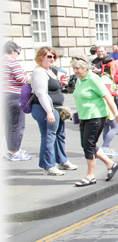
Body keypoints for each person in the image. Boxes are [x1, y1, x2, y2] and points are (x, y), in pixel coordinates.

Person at [70, 57, 118, 186]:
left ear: (85, 68)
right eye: (73, 68)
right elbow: (80, 99)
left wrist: (117, 116)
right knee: (87, 145)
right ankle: (110, 164)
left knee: (88, 145)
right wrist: (78, 115)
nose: (75, 71)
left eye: (77, 68)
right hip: (85, 116)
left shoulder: (93, 79)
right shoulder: (80, 80)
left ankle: (90, 175)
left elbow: (108, 97)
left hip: (96, 116)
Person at [30, 47, 76, 176]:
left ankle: (62, 161)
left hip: (56, 108)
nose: (52, 59)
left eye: (54, 57)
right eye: (49, 56)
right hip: (44, 109)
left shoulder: (49, 70)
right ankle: (48, 166)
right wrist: (49, 111)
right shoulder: (39, 72)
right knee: (48, 136)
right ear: (41, 57)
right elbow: (41, 94)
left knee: (60, 134)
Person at [3, 41, 30, 161]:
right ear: (12, 51)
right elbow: (21, 79)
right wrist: (29, 76)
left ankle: (11, 149)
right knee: (18, 124)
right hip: (14, 95)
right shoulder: (12, 62)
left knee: (9, 123)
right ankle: (15, 151)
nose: (17, 55)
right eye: (18, 53)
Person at [99, 56, 118, 156]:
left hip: (105, 105)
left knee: (106, 127)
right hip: (108, 106)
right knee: (115, 126)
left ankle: (106, 147)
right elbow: (108, 92)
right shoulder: (106, 78)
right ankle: (105, 146)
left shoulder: (104, 77)